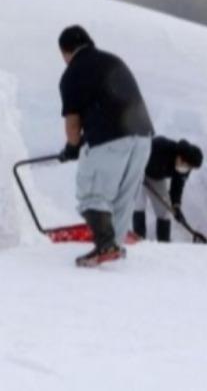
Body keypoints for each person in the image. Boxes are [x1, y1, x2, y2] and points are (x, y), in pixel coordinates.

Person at [57, 25, 154, 267]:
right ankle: (114, 248)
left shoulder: (73, 73)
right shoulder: (113, 60)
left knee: (92, 194)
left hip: (108, 138)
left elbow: (73, 123)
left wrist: (71, 148)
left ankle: (105, 245)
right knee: (124, 196)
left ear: (65, 51)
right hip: (143, 136)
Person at [133, 137, 204, 243]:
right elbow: (137, 155)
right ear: (180, 156)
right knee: (139, 204)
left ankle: (164, 243)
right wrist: (138, 172)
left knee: (164, 211)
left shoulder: (185, 168)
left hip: (157, 178)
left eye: (189, 167)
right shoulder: (160, 146)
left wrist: (176, 206)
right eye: (185, 164)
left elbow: (177, 186)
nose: (186, 168)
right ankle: (138, 238)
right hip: (139, 173)